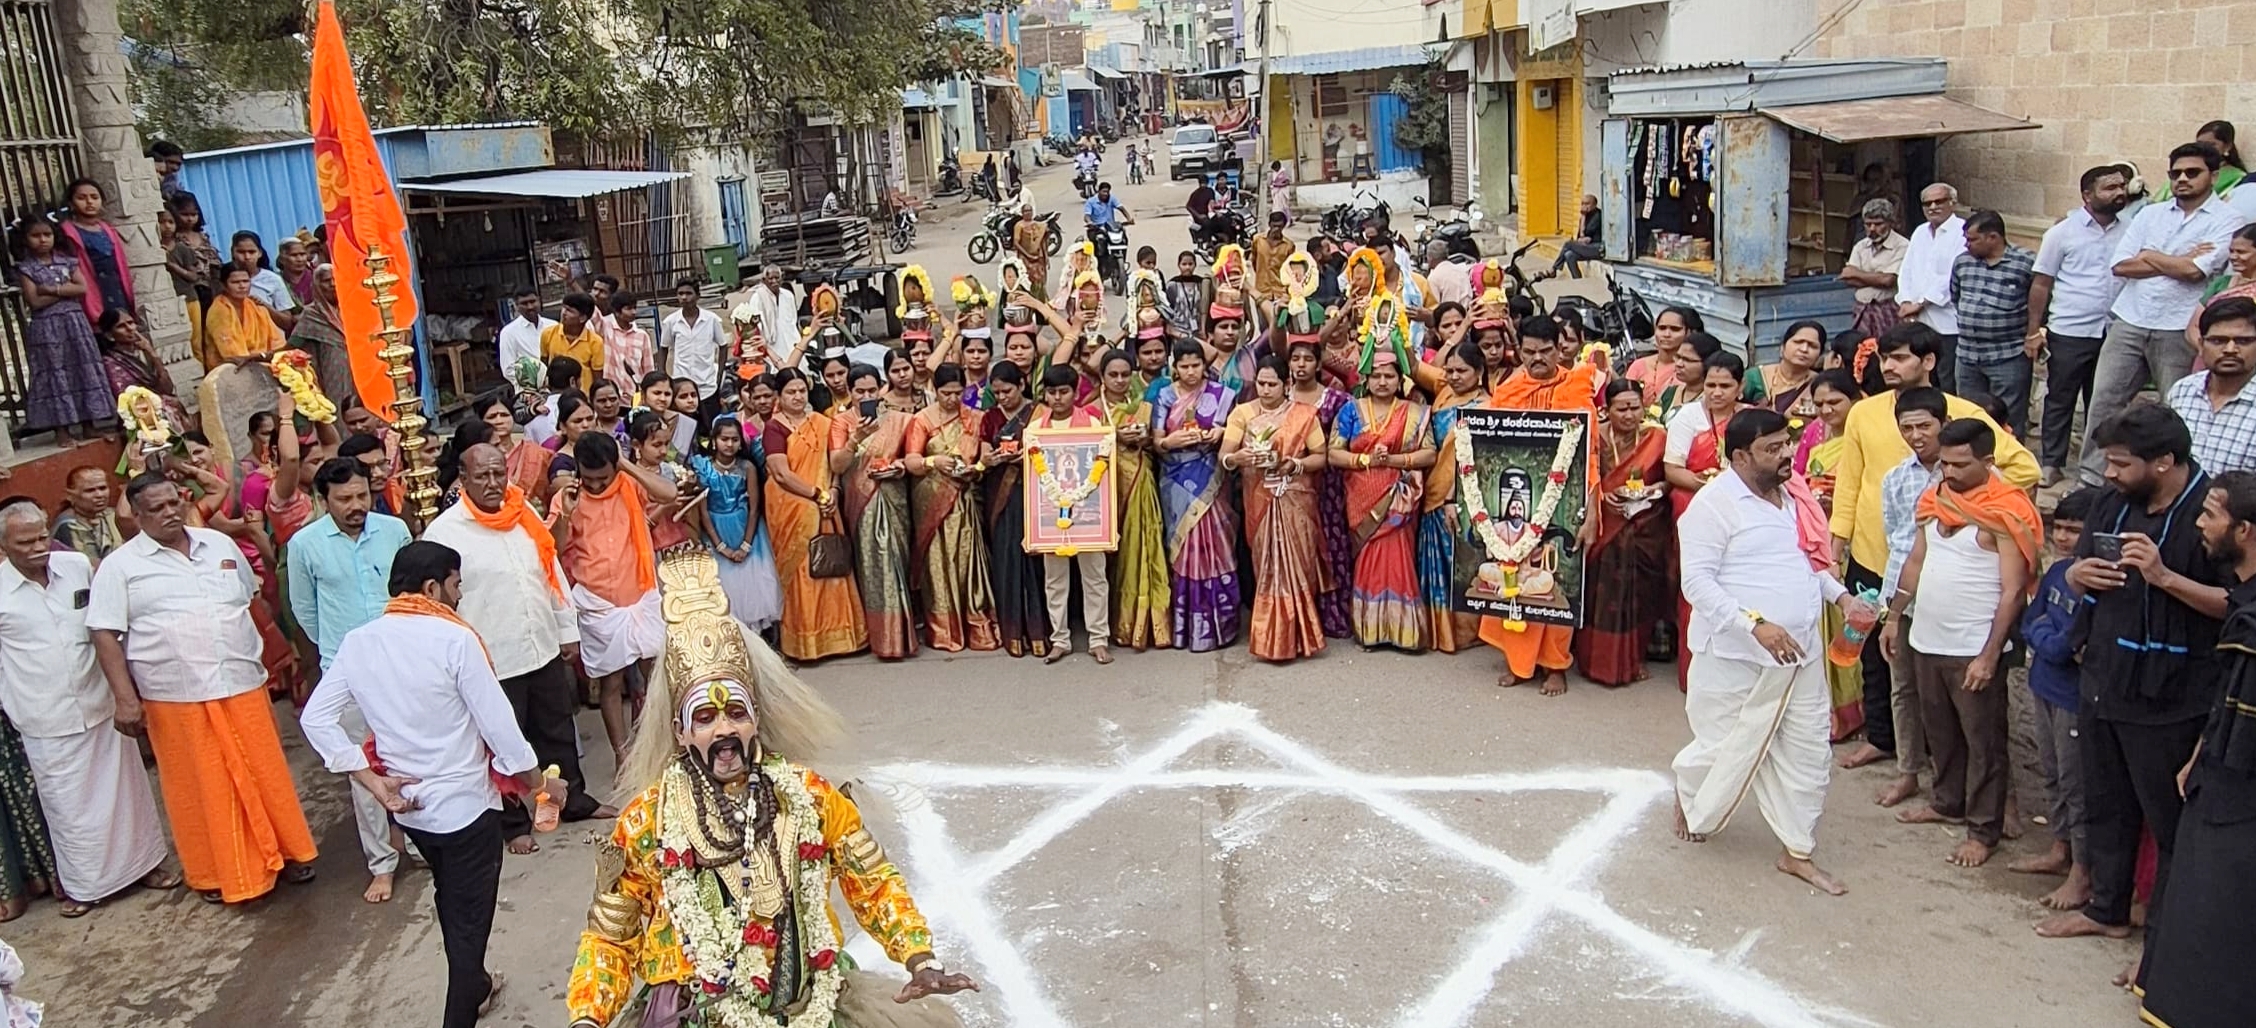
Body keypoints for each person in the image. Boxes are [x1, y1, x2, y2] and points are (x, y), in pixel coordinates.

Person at [563, 548, 977, 1028]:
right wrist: (588, 1019)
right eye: (705, 717)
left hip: (811, 1005)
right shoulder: (645, 822)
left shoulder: (810, 796)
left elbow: (873, 881)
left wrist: (919, 959)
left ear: (755, 720)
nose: (723, 730)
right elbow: (611, 935)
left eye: (736, 713)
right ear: (680, 731)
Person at [300, 541, 563, 1028]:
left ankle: (479, 983)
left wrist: (372, 782)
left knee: (452, 900)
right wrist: (540, 786)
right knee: (469, 926)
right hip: (466, 809)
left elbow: (316, 720)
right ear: (431, 587)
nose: (459, 595)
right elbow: (498, 727)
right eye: (456, 584)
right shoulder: (454, 640)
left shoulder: (359, 642)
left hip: (410, 809)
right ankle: (462, 1006)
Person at [2034, 406, 2229, 958]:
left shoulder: (2212, 517)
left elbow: (2236, 606)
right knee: (2107, 804)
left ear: (2165, 461)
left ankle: (2163, 952)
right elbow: (2082, 569)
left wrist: (2164, 577)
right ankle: (2107, 912)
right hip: (2103, 677)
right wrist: (2077, 574)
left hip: (2172, 694)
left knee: (2168, 825)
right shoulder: (2112, 502)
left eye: (2121, 463)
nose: (2110, 472)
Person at [88, 473, 318, 903]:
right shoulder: (121, 567)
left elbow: (248, 603)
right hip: (175, 696)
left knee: (263, 771)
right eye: (155, 508)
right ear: (135, 516)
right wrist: (124, 698)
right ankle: (216, 872)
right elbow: (104, 632)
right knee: (202, 785)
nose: (170, 511)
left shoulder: (218, 545)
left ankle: (287, 852)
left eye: (174, 501)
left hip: (241, 682)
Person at [1828, 324, 2039, 774]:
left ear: (1928, 362)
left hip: (1942, 567)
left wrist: (1974, 518)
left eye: (1900, 357)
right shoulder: (1865, 414)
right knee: (1876, 656)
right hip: (1873, 556)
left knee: (1936, 670)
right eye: (1884, 357)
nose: (1889, 366)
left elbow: (2023, 468)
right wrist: (1837, 540)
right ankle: (1884, 740)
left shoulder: (1963, 413)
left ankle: (1952, 768)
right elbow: (1849, 479)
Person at [1673, 408, 1861, 896]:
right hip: (1735, 654)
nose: (1786, 455)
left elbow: (1808, 565)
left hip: (1800, 653)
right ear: (1740, 456)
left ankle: (1797, 851)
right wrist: (1754, 625)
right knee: (1721, 747)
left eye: (1786, 444)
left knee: (1808, 751)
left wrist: (1841, 597)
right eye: (1772, 449)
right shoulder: (1712, 506)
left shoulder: (1795, 496)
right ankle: (1692, 799)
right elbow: (1696, 582)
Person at [421, 443, 607, 852]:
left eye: (497, 473)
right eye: (481, 476)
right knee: (504, 743)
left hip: (538, 644)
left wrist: (566, 630)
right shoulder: (444, 533)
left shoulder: (525, 515)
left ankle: (570, 801)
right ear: (463, 480)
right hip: (490, 658)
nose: (492, 483)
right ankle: (513, 824)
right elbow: (438, 603)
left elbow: (549, 570)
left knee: (557, 730)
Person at [0, 502, 173, 918]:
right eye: (26, 542)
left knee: (129, 793)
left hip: (102, 702)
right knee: (68, 807)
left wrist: (126, 691)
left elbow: (107, 622)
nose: (40, 547)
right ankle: (85, 887)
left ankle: (146, 866)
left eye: (42, 536)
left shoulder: (76, 566)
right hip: (44, 716)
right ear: (4, 546)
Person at [1884, 418, 2040, 869]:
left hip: (1973, 645)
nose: (1949, 472)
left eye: (1960, 464)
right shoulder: (1936, 498)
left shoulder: (2008, 509)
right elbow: (1915, 561)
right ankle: (1946, 802)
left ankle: (1983, 829)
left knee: (1984, 741)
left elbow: (2013, 591)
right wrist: (1895, 617)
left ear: (1988, 461)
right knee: (1941, 732)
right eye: (1944, 463)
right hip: (1926, 636)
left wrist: (1991, 654)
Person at [2137, 469, 2256, 1027]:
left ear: (2245, 530)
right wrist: (2200, 753)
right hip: (2218, 768)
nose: (2201, 525)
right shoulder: (2244, 599)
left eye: (2211, 515)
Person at [286, 458, 416, 903]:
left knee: (412, 757)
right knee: (361, 770)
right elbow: (304, 611)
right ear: (324, 500)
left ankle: (421, 842)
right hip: (347, 673)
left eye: (362, 495)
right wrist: (338, 656)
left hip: (400, 662)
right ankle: (382, 863)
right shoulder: (305, 545)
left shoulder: (394, 531)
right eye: (344, 499)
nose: (357, 505)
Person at [2081, 142, 2247, 487]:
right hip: (2130, 318)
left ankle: (2172, 486)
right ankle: (2092, 481)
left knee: (2178, 410)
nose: (2182, 179)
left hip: (2178, 325)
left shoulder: (2228, 220)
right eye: (2175, 173)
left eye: (2192, 172)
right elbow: (2121, 265)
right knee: (2104, 403)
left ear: (2214, 175)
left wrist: (2151, 254)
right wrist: (2178, 258)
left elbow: (2195, 273)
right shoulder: (2150, 214)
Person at [1481, 316, 1602, 693]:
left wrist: (1593, 510)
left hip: (1566, 502)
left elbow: (1591, 455)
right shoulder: (1509, 389)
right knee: (1514, 578)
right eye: (1529, 352)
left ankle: (1555, 665)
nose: (1537, 359)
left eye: (1545, 351)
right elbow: (1491, 451)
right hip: (1517, 500)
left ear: (1560, 348)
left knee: (1557, 578)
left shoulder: (1577, 388)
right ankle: (1519, 663)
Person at [556, 432, 676, 766]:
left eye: (602, 478)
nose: (594, 486)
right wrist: (566, 514)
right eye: (588, 478)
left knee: (655, 674)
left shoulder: (629, 483)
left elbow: (670, 492)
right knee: (612, 681)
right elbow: (555, 548)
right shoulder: (570, 495)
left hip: (641, 592)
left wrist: (625, 465)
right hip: (598, 602)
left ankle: (665, 739)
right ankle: (622, 755)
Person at [1863, 386, 1950, 808]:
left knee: (1952, 694)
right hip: (1903, 595)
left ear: (1944, 425)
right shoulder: (1897, 477)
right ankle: (1908, 771)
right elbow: (1898, 540)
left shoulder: (1965, 474)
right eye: (1907, 427)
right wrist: (1892, 608)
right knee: (1903, 688)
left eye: (1924, 426)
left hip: (1950, 597)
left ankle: (1961, 784)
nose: (1916, 435)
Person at [2015, 485, 2099, 912]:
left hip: (2073, 696)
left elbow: (2070, 641)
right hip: (2044, 685)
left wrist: (2052, 640)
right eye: (2059, 528)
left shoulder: (2098, 585)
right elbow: (2033, 623)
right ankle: (2060, 847)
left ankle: (2082, 872)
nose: (2064, 538)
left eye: (2074, 530)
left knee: (2075, 782)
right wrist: (2053, 641)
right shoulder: (2058, 572)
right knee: (2051, 772)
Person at [2028, 167, 2132, 486]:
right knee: (2061, 398)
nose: (2119, 192)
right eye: (2109, 187)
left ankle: (2100, 467)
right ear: (2087, 195)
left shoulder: (2131, 230)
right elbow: (2042, 283)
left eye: (2121, 186)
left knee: (2104, 401)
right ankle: (2052, 463)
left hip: (2115, 329)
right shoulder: (2062, 233)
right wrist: (2033, 330)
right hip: (2071, 329)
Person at [1221, 355, 1326, 662]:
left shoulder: (1305, 414)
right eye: (1261, 384)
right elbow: (1224, 457)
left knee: (1299, 566)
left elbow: (1321, 456)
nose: (1265, 390)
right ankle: (1270, 639)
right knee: (1266, 567)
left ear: (1286, 384)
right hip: (1259, 499)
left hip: (1296, 499)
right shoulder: (1242, 414)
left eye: (1272, 384)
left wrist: (1294, 464)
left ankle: (1298, 636)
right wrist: (1241, 458)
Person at [1330, 351, 1433, 652]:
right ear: (1366, 379)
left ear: (1400, 380)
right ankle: (1371, 630)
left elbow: (1430, 453)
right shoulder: (1352, 410)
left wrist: (1396, 460)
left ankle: (1404, 632)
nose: (1383, 381)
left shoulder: (1414, 411)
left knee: (1398, 558)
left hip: (1399, 497)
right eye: (1377, 376)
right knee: (1368, 560)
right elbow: (1333, 453)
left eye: (1389, 376)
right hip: (1363, 497)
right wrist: (1365, 460)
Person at [762, 368, 868, 660]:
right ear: (779, 397)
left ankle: (842, 638)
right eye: (790, 392)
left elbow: (833, 464)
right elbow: (781, 474)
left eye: (801, 391)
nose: (797, 397)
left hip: (824, 503)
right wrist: (815, 495)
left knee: (832, 563)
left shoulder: (822, 422)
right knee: (804, 572)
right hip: (793, 506)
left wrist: (833, 491)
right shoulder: (774, 427)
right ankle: (806, 644)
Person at [1575, 377, 1672, 685]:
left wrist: (1656, 488)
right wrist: (1602, 495)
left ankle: (1633, 659)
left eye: (1635, 408)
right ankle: (1596, 661)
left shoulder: (1657, 438)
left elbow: (1669, 478)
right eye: (1621, 409)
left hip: (1645, 526)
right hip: (1605, 525)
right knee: (1599, 596)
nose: (1629, 415)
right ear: (1606, 410)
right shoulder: (1595, 439)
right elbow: (1582, 480)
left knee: (1640, 597)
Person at [902, 365, 1001, 652]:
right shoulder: (922, 420)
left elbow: (984, 455)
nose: (952, 399)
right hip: (932, 502)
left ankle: (976, 623)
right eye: (946, 393)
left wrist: (979, 466)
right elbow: (911, 461)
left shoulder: (975, 417)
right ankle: (944, 630)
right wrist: (934, 462)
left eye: (958, 393)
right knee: (938, 565)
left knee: (969, 562)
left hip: (966, 499)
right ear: (936, 390)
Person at [1152, 342, 1241, 652]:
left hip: (1211, 476)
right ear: (1175, 367)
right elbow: (1157, 440)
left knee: (1214, 544)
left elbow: (1234, 430)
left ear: (1205, 365)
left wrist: (1221, 433)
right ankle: (1187, 626)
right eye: (1184, 366)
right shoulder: (1164, 395)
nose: (1190, 372)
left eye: (1196, 365)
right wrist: (1172, 441)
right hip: (1176, 480)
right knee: (1184, 546)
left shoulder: (1221, 394)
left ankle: (1221, 623)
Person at [830, 363, 919, 660]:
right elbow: (837, 465)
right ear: (850, 391)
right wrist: (856, 438)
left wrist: (898, 467)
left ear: (880, 389)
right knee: (872, 565)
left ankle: (903, 635)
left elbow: (915, 459)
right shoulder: (841, 422)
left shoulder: (901, 420)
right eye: (859, 391)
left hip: (895, 497)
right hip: (860, 501)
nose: (865, 396)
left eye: (871, 390)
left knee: (897, 561)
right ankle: (881, 638)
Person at [1027, 366, 1115, 664]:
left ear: (1075, 393)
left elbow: (1103, 466)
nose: (1057, 398)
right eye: (1051, 392)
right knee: (1055, 579)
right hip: (1051, 513)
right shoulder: (1037, 428)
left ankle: (1099, 638)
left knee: (1094, 577)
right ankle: (1060, 639)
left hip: (1088, 509)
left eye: (1063, 392)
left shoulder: (1092, 423)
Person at [9, 214, 115, 443]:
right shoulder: (27, 269)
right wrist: (64, 290)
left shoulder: (68, 261)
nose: (42, 240)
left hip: (75, 324)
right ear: (25, 239)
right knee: (55, 372)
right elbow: (34, 301)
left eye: (46, 235)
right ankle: (62, 430)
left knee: (82, 368)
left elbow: (82, 288)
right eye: (35, 236)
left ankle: (90, 424)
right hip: (47, 328)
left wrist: (51, 290)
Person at [1412, 339, 1486, 653]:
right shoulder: (1443, 394)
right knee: (1437, 563)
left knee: (1463, 563)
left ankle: (1466, 632)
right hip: (1432, 491)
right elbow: (1412, 365)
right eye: (1450, 371)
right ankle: (1438, 630)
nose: (1455, 376)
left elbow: (1482, 460)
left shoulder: (1487, 407)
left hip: (1463, 496)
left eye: (1462, 371)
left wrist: (1456, 496)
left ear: (1479, 372)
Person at [1949, 210, 2038, 436]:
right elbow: (1956, 297)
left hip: (2007, 354)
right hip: (1968, 354)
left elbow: (2039, 303)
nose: (1967, 245)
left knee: (2009, 416)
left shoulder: (2025, 262)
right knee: (1967, 414)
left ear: (1993, 237)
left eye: (1972, 239)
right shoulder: (1962, 263)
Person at [690, 416, 782, 635]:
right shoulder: (703, 467)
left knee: (754, 584)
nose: (729, 444)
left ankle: (761, 641)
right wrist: (721, 546)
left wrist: (746, 545)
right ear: (714, 441)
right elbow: (702, 510)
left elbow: (754, 507)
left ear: (741, 442)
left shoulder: (747, 467)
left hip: (746, 529)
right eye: (724, 439)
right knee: (725, 586)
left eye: (734, 439)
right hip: (715, 529)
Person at [2165, 295, 2256, 474]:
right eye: (2218, 341)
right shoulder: (2182, 391)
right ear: (2201, 344)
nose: (2230, 350)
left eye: (2243, 341)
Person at [1896, 182, 1966, 393]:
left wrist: (1921, 303)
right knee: (1922, 375)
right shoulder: (1920, 232)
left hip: (1946, 321)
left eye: (1939, 201)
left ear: (1952, 203)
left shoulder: (1962, 231)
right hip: (1918, 321)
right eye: (1927, 203)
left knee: (1947, 378)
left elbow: (1954, 274)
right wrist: (1906, 301)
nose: (1933, 207)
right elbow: (1906, 270)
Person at [53, 179, 134, 330]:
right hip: (89, 293)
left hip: (115, 289)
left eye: (94, 197)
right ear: (70, 203)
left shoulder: (107, 229)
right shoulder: (66, 233)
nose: (89, 202)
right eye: (81, 198)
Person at [94, 310, 187, 432]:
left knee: (174, 404)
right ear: (110, 336)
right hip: (137, 412)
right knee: (167, 411)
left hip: (159, 403)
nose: (130, 329)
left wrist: (152, 353)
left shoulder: (143, 354)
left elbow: (167, 389)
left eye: (131, 323)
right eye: (121, 326)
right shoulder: (110, 362)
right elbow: (127, 398)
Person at [1841, 199, 1908, 341]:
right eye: (1868, 224)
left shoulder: (1902, 246)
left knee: (1888, 347)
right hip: (1862, 309)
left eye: (1878, 224)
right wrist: (1875, 278)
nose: (1872, 229)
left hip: (1887, 308)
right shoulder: (1861, 246)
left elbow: (1888, 280)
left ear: (1890, 223)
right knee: (1861, 351)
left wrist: (1857, 274)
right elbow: (1848, 279)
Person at [661, 278, 726, 415]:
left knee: (710, 427)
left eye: (688, 293)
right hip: (681, 386)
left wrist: (719, 374)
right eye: (680, 294)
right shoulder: (671, 322)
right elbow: (663, 348)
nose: (684, 297)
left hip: (707, 385)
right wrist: (663, 375)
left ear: (697, 296)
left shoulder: (711, 320)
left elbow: (723, 346)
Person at [204, 265, 287, 366]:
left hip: (263, 361)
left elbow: (277, 343)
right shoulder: (219, 311)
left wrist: (270, 357)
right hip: (230, 369)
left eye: (245, 281)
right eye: (235, 282)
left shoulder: (255, 306)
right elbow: (233, 355)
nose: (242, 286)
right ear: (223, 285)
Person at [50, 465, 124, 565]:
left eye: (103, 488)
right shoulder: (67, 525)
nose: (99, 495)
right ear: (70, 495)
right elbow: (90, 565)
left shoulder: (111, 514)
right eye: (90, 490)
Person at [1755, 320, 1825, 422]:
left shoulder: (1820, 385)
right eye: (1798, 342)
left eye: (1813, 346)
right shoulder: (1756, 377)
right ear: (1782, 347)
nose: (1804, 349)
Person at [542, 293, 605, 393]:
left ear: (582, 318)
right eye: (564, 308)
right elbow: (544, 365)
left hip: (583, 397)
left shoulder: (595, 342)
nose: (563, 313)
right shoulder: (548, 334)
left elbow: (597, 377)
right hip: (555, 395)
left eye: (570, 311)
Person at [745, 266, 802, 372]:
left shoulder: (788, 295)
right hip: (770, 344)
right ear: (764, 280)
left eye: (777, 278)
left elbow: (793, 320)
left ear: (782, 278)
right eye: (770, 278)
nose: (774, 281)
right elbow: (756, 325)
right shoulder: (758, 297)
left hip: (790, 341)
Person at [599, 293, 655, 399]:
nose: (633, 312)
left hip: (635, 395)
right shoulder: (606, 329)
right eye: (628, 309)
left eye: (634, 308)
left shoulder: (642, 336)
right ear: (617, 312)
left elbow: (648, 370)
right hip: (611, 395)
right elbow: (594, 315)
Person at [1551, 194, 1603, 279]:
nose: (1584, 206)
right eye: (1582, 204)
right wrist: (1583, 217)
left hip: (1597, 248)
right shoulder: (1585, 217)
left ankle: (1554, 269)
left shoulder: (1597, 215)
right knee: (1569, 255)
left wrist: (1583, 217)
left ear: (1594, 204)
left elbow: (1587, 233)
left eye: (1587, 204)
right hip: (1588, 248)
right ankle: (1577, 279)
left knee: (1568, 244)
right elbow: (1580, 236)